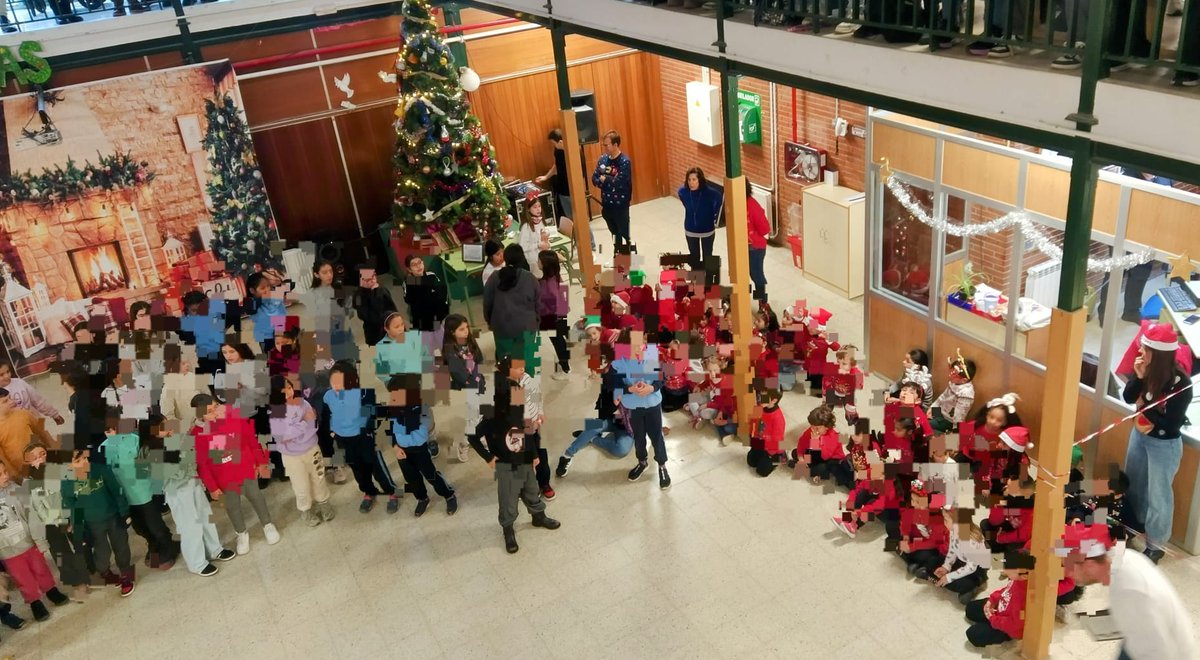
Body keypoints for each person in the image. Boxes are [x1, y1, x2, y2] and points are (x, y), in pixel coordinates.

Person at [1059, 523, 1197, 659]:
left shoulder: (1130, 590)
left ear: (1089, 565)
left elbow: (1159, 650)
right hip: (1139, 640)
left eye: (1071, 567)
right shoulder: (1125, 559)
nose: (1068, 573)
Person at [1121, 323, 1190, 563]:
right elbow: (1128, 396)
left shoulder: (1181, 383)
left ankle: (1156, 544)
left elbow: (1169, 424)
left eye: (1146, 348)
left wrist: (1142, 405)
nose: (1140, 351)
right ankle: (1130, 527)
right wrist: (1139, 379)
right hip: (1140, 435)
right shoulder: (1144, 368)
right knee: (1133, 484)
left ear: (1159, 354)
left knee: (1158, 495)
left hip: (1164, 444)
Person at [145, 416, 235, 578]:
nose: (169, 428)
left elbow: (193, 458)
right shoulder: (148, 451)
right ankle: (197, 563)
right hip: (177, 491)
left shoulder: (177, 438)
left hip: (193, 483)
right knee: (190, 526)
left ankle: (215, 549)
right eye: (162, 426)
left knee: (206, 517)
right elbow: (165, 474)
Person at [191, 394, 281, 554]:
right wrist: (212, 487)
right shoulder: (197, 434)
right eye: (210, 412)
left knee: (256, 497)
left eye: (216, 407)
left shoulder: (234, 415)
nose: (216, 413)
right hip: (224, 479)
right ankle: (241, 532)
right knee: (232, 507)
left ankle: (267, 524)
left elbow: (251, 441)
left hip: (245, 469)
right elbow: (202, 464)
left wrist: (260, 462)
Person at [101, 409, 178, 570]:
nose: (113, 434)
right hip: (124, 497)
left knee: (155, 524)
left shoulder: (135, 440)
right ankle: (153, 544)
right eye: (108, 431)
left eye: (115, 429)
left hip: (144, 493)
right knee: (139, 527)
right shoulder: (103, 448)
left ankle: (168, 547)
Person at [324, 361, 399, 514]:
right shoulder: (328, 396)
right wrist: (332, 431)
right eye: (333, 382)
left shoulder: (363, 394)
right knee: (358, 469)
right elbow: (326, 414)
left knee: (376, 468)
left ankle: (392, 492)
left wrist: (367, 431)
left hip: (363, 438)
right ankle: (369, 492)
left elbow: (372, 415)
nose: (336, 386)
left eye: (341, 381)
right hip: (344, 440)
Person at [0, 462, 69, 621]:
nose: (6, 476)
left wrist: (40, 541)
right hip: (7, 551)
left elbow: (33, 518)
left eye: (5, 471)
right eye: (0, 474)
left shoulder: (17, 491)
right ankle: (34, 602)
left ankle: (51, 590)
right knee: (22, 579)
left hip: (29, 543)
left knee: (41, 569)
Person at [381, 375, 458, 517]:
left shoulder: (420, 406)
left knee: (431, 475)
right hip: (402, 451)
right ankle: (422, 498)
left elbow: (417, 424)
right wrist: (395, 446)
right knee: (411, 477)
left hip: (420, 449)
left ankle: (448, 494)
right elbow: (390, 428)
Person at [62, 449, 135, 596]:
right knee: (102, 552)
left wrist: (124, 512)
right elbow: (71, 506)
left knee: (121, 545)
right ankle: (105, 572)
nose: (84, 463)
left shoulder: (100, 469)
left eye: (84, 458)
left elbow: (117, 491)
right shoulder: (67, 482)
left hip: (113, 516)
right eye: (78, 461)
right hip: (92, 523)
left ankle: (126, 574)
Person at [22, 442, 92, 598]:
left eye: (43, 454)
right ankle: (76, 581)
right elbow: (32, 513)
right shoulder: (27, 485)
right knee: (61, 554)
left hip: (70, 514)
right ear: (28, 462)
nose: (40, 459)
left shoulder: (61, 470)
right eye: (34, 457)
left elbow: (76, 493)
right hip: (50, 523)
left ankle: (91, 570)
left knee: (83, 544)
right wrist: (39, 539)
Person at [556, 343, 634, 477]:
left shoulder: (644, 380)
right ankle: (567, 455)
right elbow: (602, 412)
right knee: (594, 425)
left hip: (627, 428)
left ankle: (591, 439)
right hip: (610, 419)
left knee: (621, 449)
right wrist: (616, 401)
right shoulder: (610, 380)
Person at [268, 376, 335, 526]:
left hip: (312, 449)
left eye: (289, 388)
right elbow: (281, 436)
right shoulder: (275, 413)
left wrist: (297, 429)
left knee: (319, 478)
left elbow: (314, 424)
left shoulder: (303, 403)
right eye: (282, 392)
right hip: (292, 457)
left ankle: (324, 503)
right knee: (300, 485)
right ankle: (306, 510)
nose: (288, 394)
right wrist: (303, 424)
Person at [613, 327, 671, 490]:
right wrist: (628, 390)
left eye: (642, 342)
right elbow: (616, 385)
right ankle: (642, 461)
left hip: (652, 405)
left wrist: (651, 388)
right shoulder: (619, 362)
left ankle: (662, 466)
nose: (641, 347)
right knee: (638, 437)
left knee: (656, 436)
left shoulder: (651, 356)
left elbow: (662, 378)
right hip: (633, 407)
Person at [483, 245, 539, 370]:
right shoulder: (530, 278)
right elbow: (538, 304)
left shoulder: (493, 278)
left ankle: (511, 387)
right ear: (522, 259)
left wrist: (490, 321)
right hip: (526, 327)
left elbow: (487, 303)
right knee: (527, 360)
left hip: (502, 326)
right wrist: (536, 321)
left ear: (505, 259)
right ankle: (528, 386)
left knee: (506, 363)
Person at [441, 314, 486, 463]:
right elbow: (458, 374)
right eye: (461, 329)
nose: (466, 331)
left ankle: (478, 435)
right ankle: (463, 443)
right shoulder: (450, 350)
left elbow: (479, 359)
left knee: (479, 413)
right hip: (465, 388)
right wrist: (472, 383)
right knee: (471, 417)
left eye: (466, 327)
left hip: (477, 382)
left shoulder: (469, 342)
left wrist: (478, 379)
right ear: (452, 332)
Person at [964, 551, 1032, 647]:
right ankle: (986, 623)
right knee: (970, 608)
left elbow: (1015, 623)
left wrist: (993, 619)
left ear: (1025, 576)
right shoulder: (1018, 579)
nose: (1005, 569)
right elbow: (1005, 591)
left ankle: (1002, 636)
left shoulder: (1022, 600)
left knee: (972, 635)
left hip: (1006, 627)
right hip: (999, 608)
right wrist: (992, 600)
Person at [0, 389, 54, 482]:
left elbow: (43, 433)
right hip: (22, 471)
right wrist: (14, 475)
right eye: (5, 401)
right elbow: (2, 457)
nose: (12, 402)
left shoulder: (23, 413)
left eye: (10, 398)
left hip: (41, 460)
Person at [592, 130, 633, 249]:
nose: (604, 147)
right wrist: (605, 181)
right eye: (603, 145)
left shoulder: (624, 162)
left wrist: (606, 180)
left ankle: (626, 264)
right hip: (607, 204)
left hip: (620, 205)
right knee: (615, 234)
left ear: (615, 145)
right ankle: (618, 259)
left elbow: (619, 183)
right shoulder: (603, 159)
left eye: (606, 145)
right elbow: (594, 178)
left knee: (623, 235)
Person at [678, 167, 722, 271]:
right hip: (691, 229)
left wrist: (712, 213)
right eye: (689, 180)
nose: (691, 183)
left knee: (708, 255)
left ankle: (709, 279)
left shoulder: (710, 193)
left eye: (694, 179)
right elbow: (685, 202)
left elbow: (719, 199)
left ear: (700, 180)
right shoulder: (683, 192)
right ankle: (696, 279)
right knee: (694, 256)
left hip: (707, 229)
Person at [536, 250, 571, 380]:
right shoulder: (556, 277)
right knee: (560, 338)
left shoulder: (547, 285)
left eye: (539, 260)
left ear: (544, 264)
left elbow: (549, 302)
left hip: (551, 317)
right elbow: (564, 294)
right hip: (559, 315)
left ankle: (565, 368)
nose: (537, 262)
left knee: (557, 341)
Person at [401, 254, 450, 343]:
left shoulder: (431, 276)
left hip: (437, 318)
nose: (418, 266)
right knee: (426, 347)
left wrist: (443, 313)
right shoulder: (408, 282)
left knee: (442, 342)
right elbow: (408, 299)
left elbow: (443, 295)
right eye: (414, 265)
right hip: (421, 321)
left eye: (419, 263)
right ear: (409, 269)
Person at [245, 269, 288, 354]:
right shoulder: (251, 303)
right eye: (262, 288)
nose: (267, 289)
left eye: (268, 286)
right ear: (252, 291)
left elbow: (288, 286)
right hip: (266, 337)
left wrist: (276, 281)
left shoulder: (274, 295)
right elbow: (250, 308)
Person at [353, 266, 397, 347]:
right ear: (361, 281)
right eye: (367, 279)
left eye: (373, 277)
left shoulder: (383, 290)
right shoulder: (358, 296)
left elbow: (392, 307)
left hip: (388, 327)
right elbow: (364, 314)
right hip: (373, 331)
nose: (372, 281)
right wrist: (375, 293)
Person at [535, 128, 573, 221]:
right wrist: (546, 177)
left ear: (560, 142)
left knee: (579, 218)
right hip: (562, 189)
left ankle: (588, 236)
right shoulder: (557, 150)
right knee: (569, 217)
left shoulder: (572, 152)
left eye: (553, 143)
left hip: (572, 190)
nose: (553, 146)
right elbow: (556, 165)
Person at [746, 389, 786, 477]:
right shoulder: (758, 408)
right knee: (751, 462)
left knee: (762, 471)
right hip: (760, 442)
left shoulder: (778, 419)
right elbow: (752, 424)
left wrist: (769, 453)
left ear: (774, 400)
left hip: (772, 449)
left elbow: (776, 440)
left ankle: (780, 457)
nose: (760, 399)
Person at [746, 178, 770, 302]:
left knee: (756, 274)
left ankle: (763, 303)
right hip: (744, 246)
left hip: (755, 247)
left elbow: (765, 228)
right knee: (748, 274)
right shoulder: (736, 204)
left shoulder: (752, 205)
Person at [518, 195, 552, 279]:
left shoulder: (540, 221)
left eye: (539, 206)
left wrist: (546, 241)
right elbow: (522, 247)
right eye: (535, 207)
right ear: (528, 209)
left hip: (543, 253)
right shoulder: (526, 226)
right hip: (533, 259)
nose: (538, 209)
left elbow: (543, 238)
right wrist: (538, 245)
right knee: (543, 276)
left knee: (553, 269)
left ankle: (556, 287)